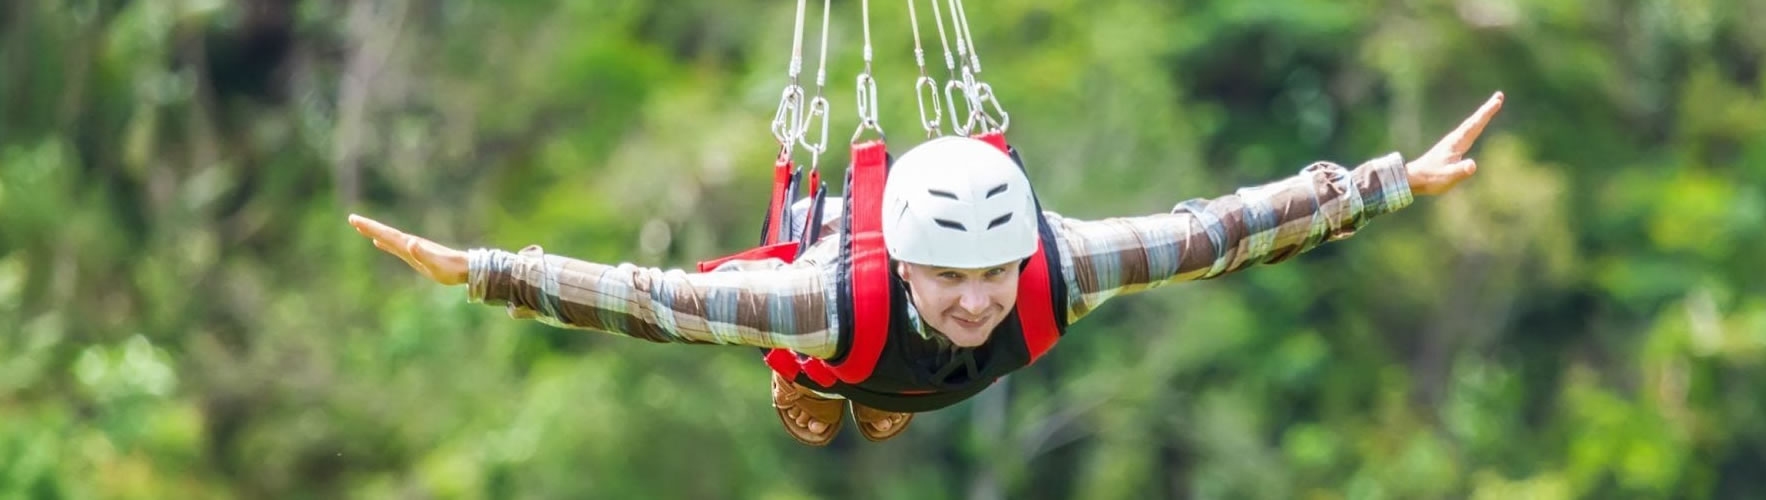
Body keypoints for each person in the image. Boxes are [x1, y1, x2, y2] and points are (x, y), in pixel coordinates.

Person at [348, 91, 1506, 446]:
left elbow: (1224, 228)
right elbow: (653, 299)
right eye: (949, 280)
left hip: (901, 364)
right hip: (835, 340)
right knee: (821, 375)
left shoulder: (1059, 266)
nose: (974, 298)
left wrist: (1391, 179)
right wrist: (483, 271)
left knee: (910, 379)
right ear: (902, 264)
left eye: (991, 275)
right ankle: (819, 389)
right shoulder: (818, 292)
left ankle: (866, 398)